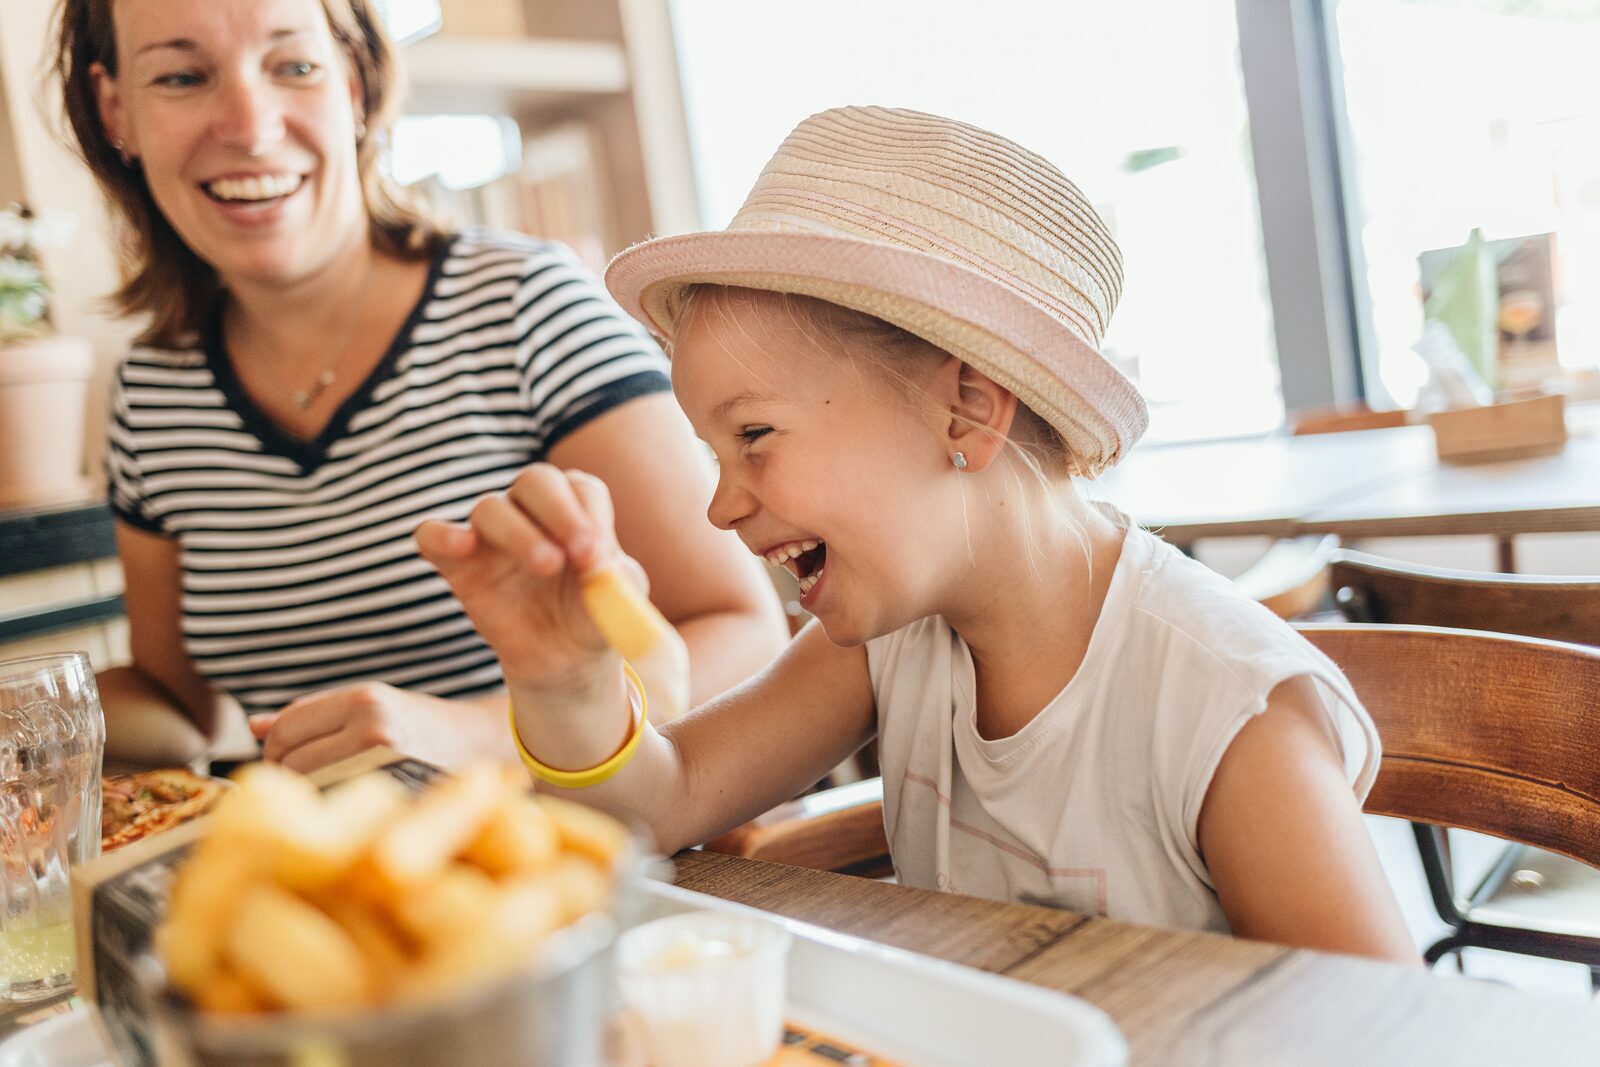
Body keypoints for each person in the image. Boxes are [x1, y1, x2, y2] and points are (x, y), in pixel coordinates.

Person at [418, 105, 1419, 962]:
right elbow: (652, 802)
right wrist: (564, 681)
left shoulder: (1223, 708)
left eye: (754, 435)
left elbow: (1384, 1035)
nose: (719, 506)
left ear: (967, 413)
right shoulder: (892, 643)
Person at [50, 0, 788, 772]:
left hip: (584, 860)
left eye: (294, 66)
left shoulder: (522, 305)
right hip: (323, 876)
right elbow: (176, 711)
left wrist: (475, 734)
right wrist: (39, 705)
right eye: (181, 75)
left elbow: (741, 632)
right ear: (115, 111)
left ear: (357, 85)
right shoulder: (153, 393)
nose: (249, 125)